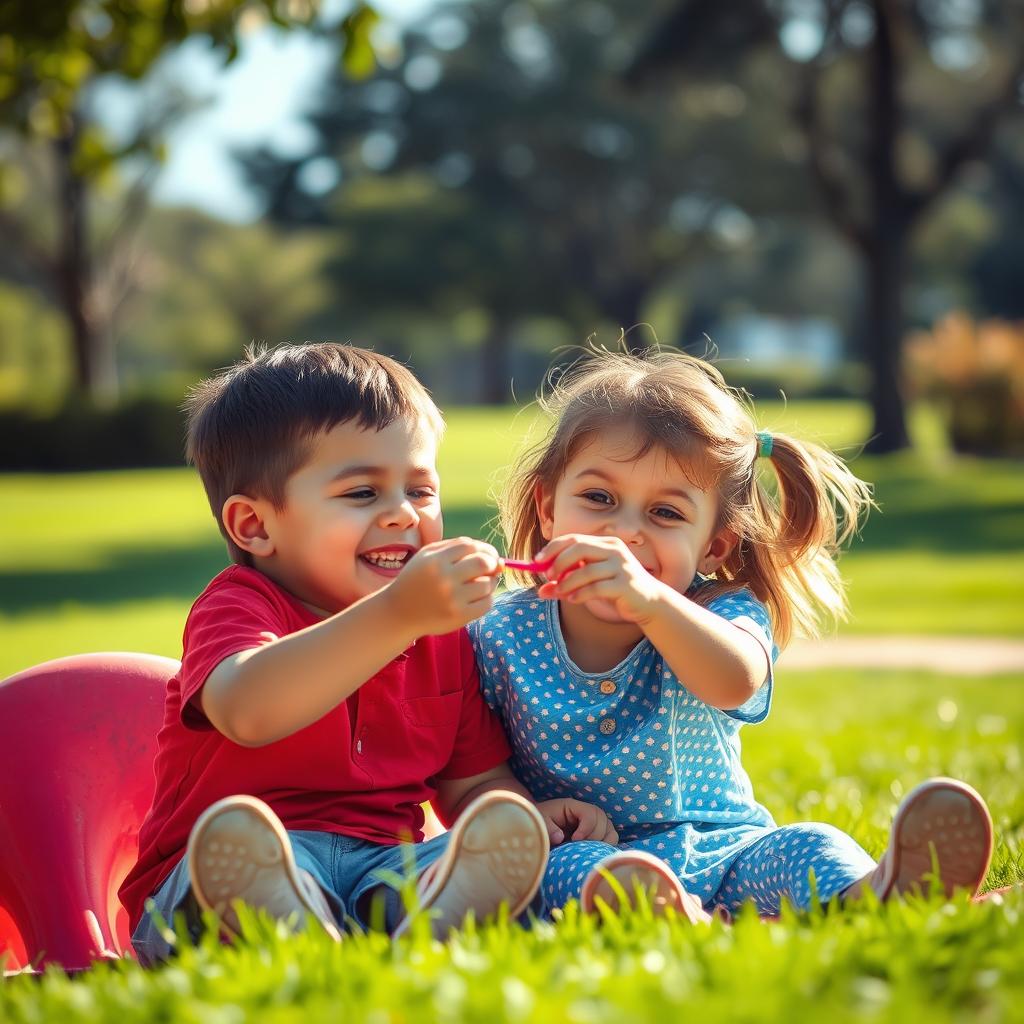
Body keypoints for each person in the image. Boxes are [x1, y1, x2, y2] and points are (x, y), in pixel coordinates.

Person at [120, 342, 616, 965]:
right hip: (218, 865)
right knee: (252, 859)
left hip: (381, 866)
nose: (402, 515)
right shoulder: (242, 605)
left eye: (420, 490)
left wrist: (526, 818)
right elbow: (248, 710)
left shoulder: (437, 635)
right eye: (361, 494)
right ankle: (267, 908)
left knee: (433, 861)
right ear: (255, 527)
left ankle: (414, 911)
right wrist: (397, 615)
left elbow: (473, 781)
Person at [469, 347, 994, 922]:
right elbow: (470, 765)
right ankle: (668, 918)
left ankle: (872, 893)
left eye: (665, 514)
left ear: (714, 546)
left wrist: (650, 603)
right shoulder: (500, 631)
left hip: (732, 852)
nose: (625, 532)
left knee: (809, 844)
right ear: (548, 510)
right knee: (566, 872)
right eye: (599, 499)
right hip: (598, 852)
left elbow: (735, 681)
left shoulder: (721, 611)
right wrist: (533, 812)